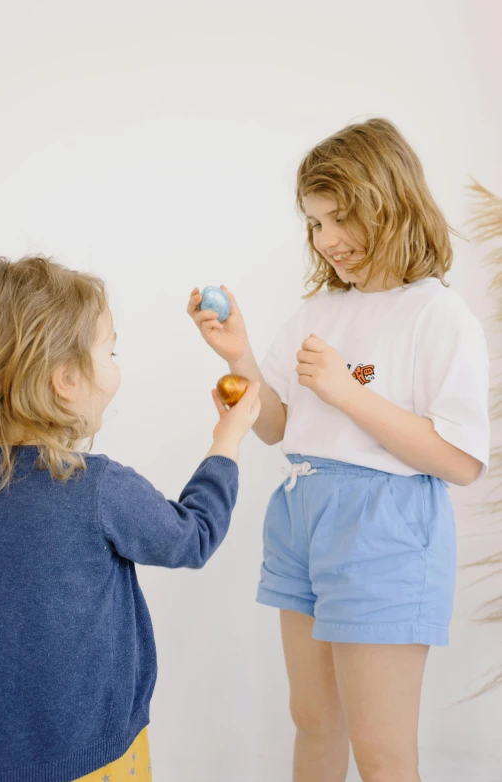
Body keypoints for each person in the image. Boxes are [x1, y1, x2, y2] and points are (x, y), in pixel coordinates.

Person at [187, 118, 490, 782]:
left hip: (384, 527)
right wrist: (237, 353)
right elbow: (279, 428)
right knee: (315, 723)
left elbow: (462, 462)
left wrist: (348, 393)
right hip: (302, 513)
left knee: (382, 754)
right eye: (315, 224)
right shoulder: (321, 309)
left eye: (338, 219)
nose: (326, 242)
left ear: (389, 204)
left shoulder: (436, 315)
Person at [0, 255, 260, 782]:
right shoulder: (94, 487)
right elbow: (192, 538)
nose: (116, 364)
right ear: (65, 379)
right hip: (97, 761)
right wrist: (226, 442)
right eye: (110, 351)